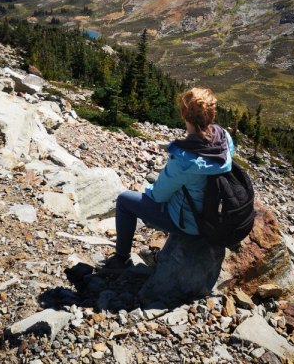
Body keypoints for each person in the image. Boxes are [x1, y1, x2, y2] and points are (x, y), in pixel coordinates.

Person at [100, 87, 234, 269]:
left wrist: (145, 190)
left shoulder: (183, 157)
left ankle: (121, 259)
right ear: (212, 116)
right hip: (214, 214)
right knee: (182, 187)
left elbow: (159, 196)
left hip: (191, 223)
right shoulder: (224, 137)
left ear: (182, 113)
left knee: (124, 201)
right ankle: (159, 256)